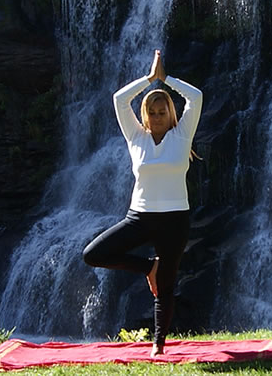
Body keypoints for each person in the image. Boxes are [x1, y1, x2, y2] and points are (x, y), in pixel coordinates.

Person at [82, 49, 203, 356]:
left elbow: (196, 96)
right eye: (153, 113)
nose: (158, 117)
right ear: (145, 116)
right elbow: (120, 100)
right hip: (140, 216)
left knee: (166, 287)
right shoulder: (136, 137)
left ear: (171, 114)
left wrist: (167, 80)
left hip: (175, 219)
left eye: (163, 112)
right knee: (94, 254)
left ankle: (158, 345)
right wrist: (149, 79)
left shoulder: (182, 136)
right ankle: (148, 266)